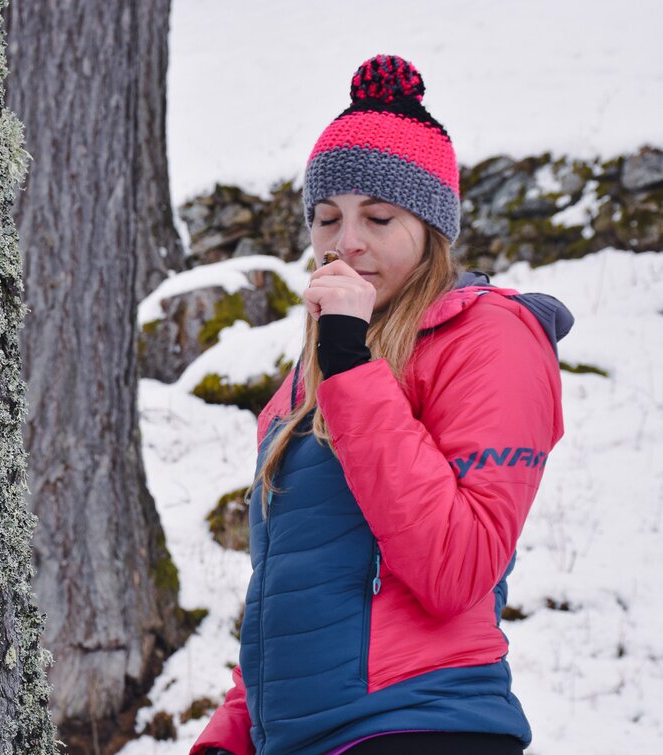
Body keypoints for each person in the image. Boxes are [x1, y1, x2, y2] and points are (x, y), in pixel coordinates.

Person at [190, 55, 572, 755]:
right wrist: (232, 733)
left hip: (421, 724)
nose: (346, 243)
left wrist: (349, 364)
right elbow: (298, 581)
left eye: (378, 216)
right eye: (327, 218)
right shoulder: (312, 374)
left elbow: (455, 566)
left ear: (429, 227)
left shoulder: (488, 335)